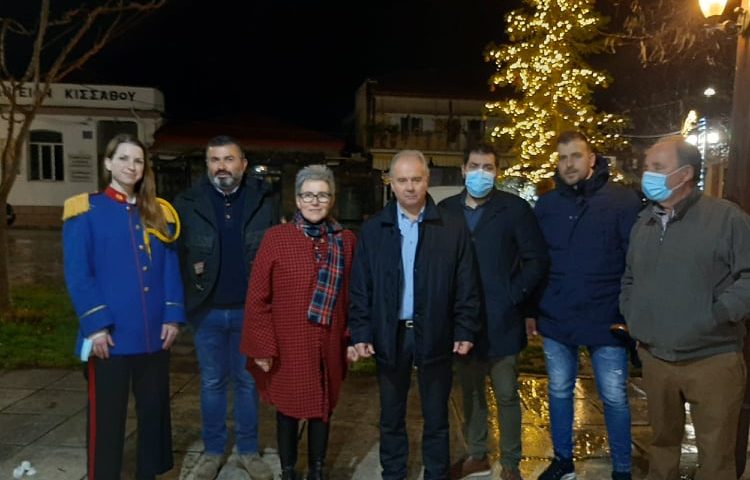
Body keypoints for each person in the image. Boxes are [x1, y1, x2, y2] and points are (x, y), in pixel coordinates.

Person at [620, 136, 750, 480]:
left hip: (712, 359)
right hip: (657, 357)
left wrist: (717, 315)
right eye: (647, 167)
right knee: (661, 446)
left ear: (685, 174)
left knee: (716, 455)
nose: (648, 174)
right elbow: (630, 276)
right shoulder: (645, 223)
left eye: (657, 167)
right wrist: (634, 315)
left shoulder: (726, 219)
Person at [348, 149, 481, 480]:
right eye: (402, 180)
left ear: (427, 180)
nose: (409, 187)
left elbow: (466, 282)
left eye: (416, 179)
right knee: (391, 415)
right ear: (391, 183)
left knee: (436, 415)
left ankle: (435, 473)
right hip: (390, 334)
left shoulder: (451, 227)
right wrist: (361, 332)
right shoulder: (374, 229)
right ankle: (393, 472)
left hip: (435, 332)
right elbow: (361, 286)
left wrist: (465, 329)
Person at [62, 133, 185, 480]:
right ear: (107, 163)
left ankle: (149, 474)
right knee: (107, 418)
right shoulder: (85, 210)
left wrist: (173, 316)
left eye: (138, 160)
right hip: (110, 336)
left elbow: (170, 267)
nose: (131, 166)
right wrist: (95, 326)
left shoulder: (158, 212)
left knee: (153, 413)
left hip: (154, 333)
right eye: (124, 159)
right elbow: (78, 273)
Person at [528, 131, 641, 480]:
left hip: (606, 316)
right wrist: (532, 309)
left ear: (592, 159)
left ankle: (622, 468)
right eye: (562, 158)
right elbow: (536, 260)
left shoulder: (622, 202)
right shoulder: (547, 205)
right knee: (559, 391)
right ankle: (563, 461)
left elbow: (634, 260)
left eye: (576, 156)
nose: (568, 164)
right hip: (557, 314)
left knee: (614, 396)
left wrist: (630, 311)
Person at [440, 143, 549, 480]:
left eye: (488, 167)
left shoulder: (514, 209)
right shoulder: (446, 210)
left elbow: (536, 260)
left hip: (502, 319)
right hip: (463, 322)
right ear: (463, 169)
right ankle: (477, 455)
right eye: (474, 166)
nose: (481, 173)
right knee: (471, 392)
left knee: (505, 393)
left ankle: (512, 463)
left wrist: (513, 295)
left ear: (497, 172)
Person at [241, 165, 357, 480]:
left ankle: (317, 469)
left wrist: (351, 339)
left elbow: (353, 296)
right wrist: (262, 347)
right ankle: (288, 470)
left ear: (332, 199)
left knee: (323, 406)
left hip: (329, 341)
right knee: (288, 408)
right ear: (297, 199)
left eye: (322, 195)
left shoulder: (346, 240)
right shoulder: (276, 238)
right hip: (288, 343)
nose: (315, 201)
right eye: (308, 195)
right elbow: (258, 297)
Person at [174, 135, 277, 480]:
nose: (222, 166)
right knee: (212, 382)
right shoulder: (187, 203)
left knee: (247, 383)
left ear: (243, 165)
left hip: (251, 312)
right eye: (215, 160)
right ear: (207, 165)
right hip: (208, 312)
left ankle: (248, 450)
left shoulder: (264, 200)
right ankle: (213, 451)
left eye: (229, 159)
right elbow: (178, 257)